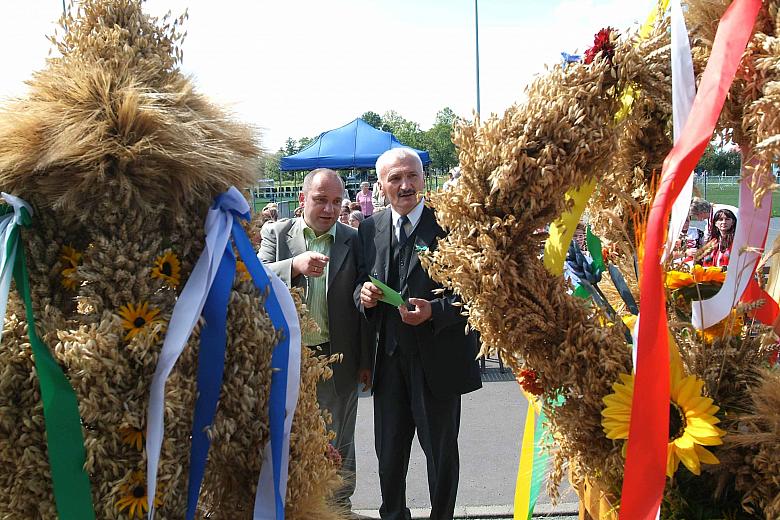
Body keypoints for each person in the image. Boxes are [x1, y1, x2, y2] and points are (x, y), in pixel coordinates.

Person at [354, 148, 482, 520]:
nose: (405, 185)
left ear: (423, 178)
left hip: (437, 361)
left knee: (441, 457)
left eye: (411, 175)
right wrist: (363, 296)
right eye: (395, 178)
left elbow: (477, 293)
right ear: (381, 186)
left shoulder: (451, 225)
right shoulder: (369, 227)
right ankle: (393, 515)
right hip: (389, 362)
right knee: (388, 456)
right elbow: (361, 282)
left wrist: (434, 311)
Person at [259, 168, 371, 514]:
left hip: (339, 359)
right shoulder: (276, 234)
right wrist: (293, 264)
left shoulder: (354, 239)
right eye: (321, 200)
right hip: (288, 362)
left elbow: (363, 304)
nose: (329, 209)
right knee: (288, 439)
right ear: (302, 199)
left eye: (337, 201)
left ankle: (339, 507)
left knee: (340, 441)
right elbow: (251, 279)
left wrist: (366, 361)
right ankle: (294, 507)